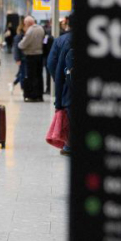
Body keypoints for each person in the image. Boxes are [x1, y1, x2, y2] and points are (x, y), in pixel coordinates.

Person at [47, 14, 73, 156]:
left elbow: (51, 64)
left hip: (68, 85)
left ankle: (69, 145)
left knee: (69, 112)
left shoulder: (61, 40)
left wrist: (60, 81)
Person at [18, 16, 45, 102]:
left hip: (30, 56)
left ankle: (31, 96)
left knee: (30, 76)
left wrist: (20, 44)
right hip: (39, 55)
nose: (24, 25)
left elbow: (22, 44)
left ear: (28, 23)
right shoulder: (41, 29)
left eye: (25, 23)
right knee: (39, 75)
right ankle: (39, 95)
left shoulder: (30, 31)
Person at [9, 21, 26, 95]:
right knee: (22, 74)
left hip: (24, 58)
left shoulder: (25, 36)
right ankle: (22, 89)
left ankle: (13, 84)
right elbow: (16, 48)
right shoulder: (19, 37)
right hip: (22, 58)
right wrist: (17, 59)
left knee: (21, 73)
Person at [42, 23, 54, 95]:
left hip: (47, 57)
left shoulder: (46, 38)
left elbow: (44, 47)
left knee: (48, 74)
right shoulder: (52, 38)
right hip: (52, 57)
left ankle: (48, 89)